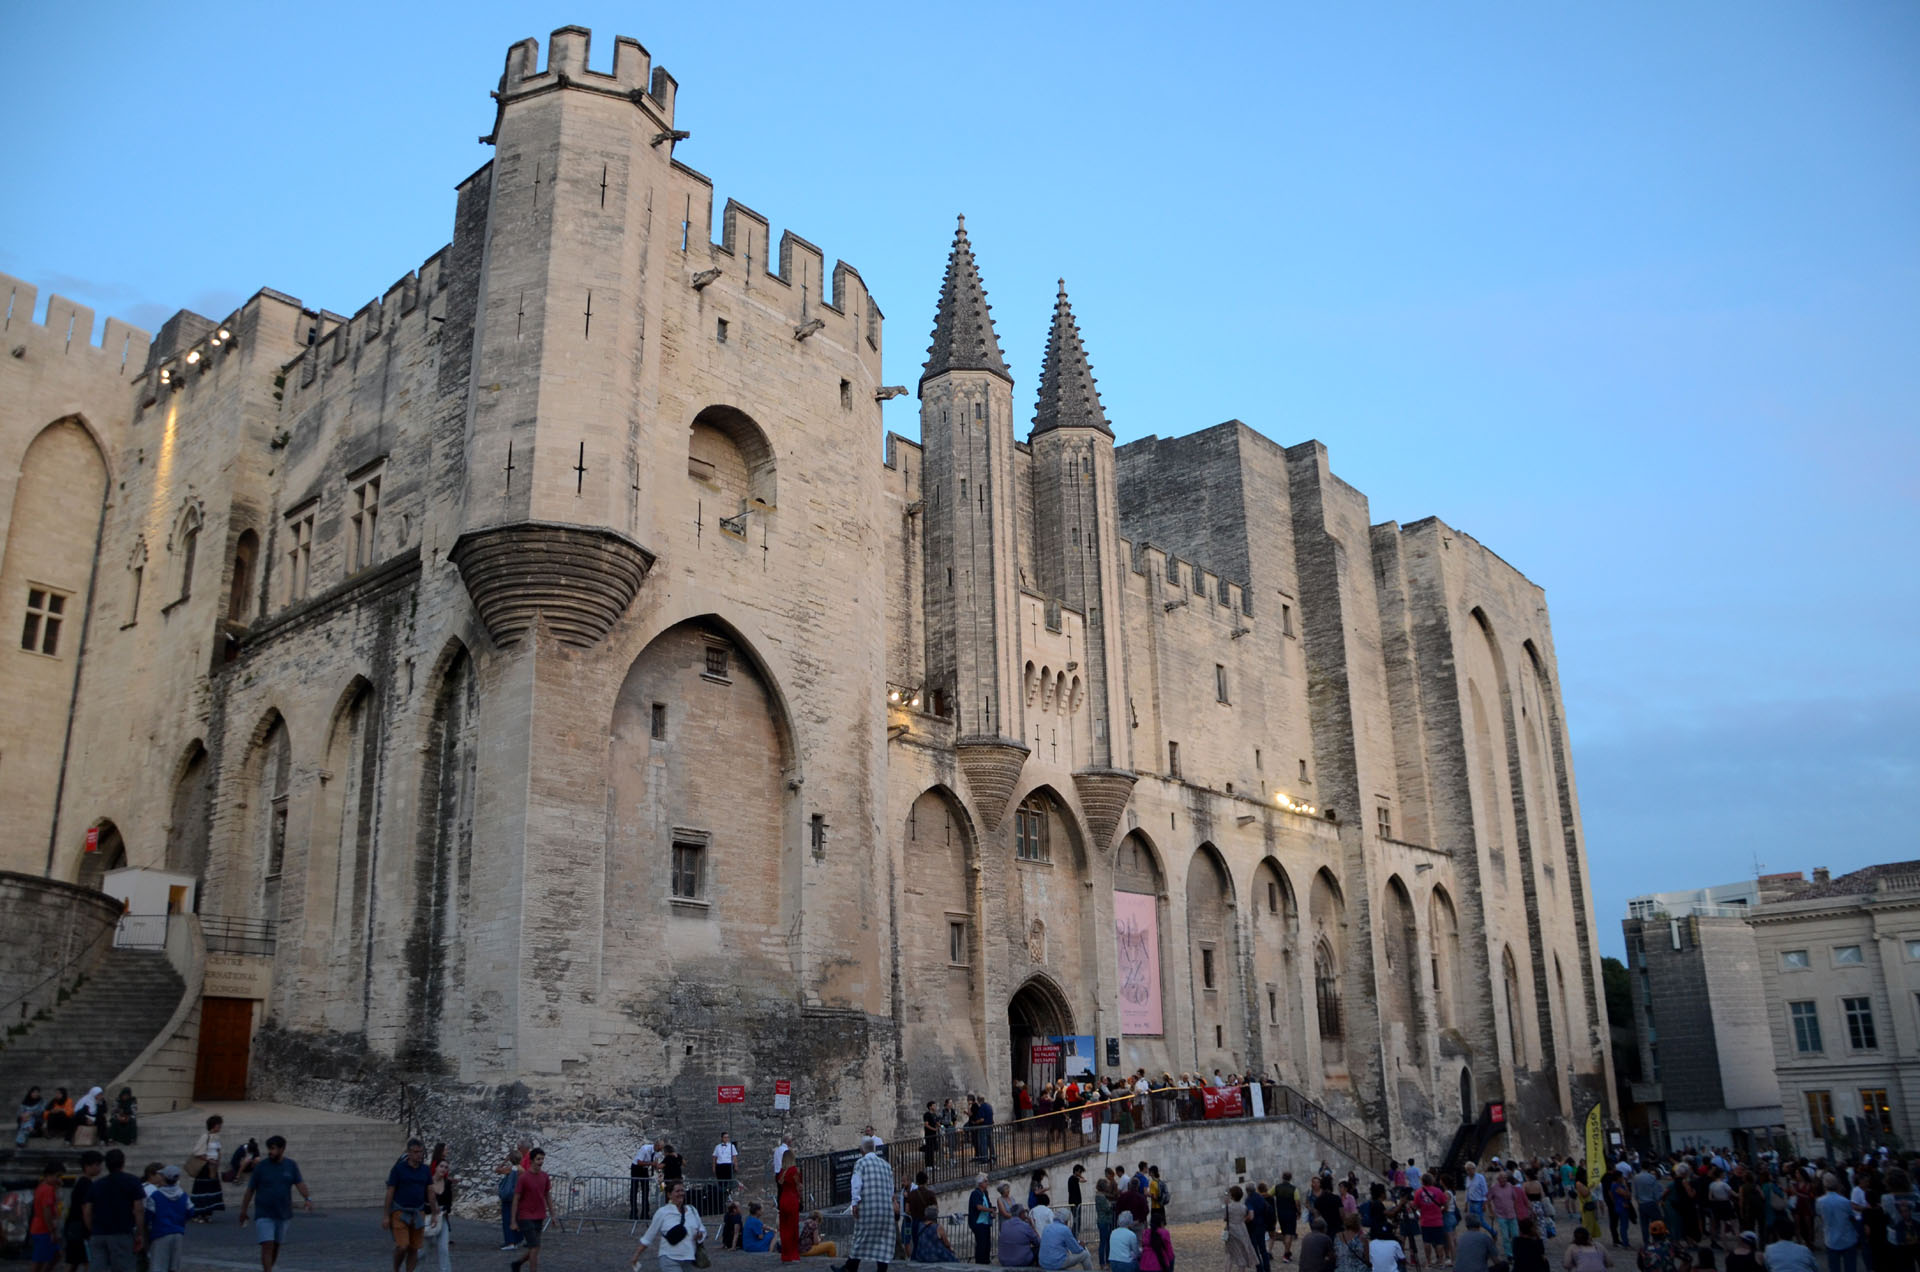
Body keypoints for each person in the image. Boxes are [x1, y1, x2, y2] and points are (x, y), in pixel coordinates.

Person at [239, 1136, 309, 1272]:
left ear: (282, 1149)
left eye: (273, 1149)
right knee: (267, 1245)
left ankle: (269, 1268)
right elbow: (250, 1190)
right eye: (269, 1149)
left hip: (283, 1214)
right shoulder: (261, 1167)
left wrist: (307, 1198)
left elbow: (299, 1183)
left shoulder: (291, 1165)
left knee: (276, 1246)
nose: (270, 1152)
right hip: (264, 1213)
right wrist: (243, 1210)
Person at [84, 1147, 146, 1272]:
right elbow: (138, 1210)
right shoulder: (132, 1181)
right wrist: (139, 1233)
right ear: (123, 1162)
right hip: (121, 1232)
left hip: (99, 1233)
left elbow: (87, 1211)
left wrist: (92, 1228)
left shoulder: (97, 1184)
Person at [842, 1136, 898, 1272]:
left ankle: (850, 1268)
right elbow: (891, 1188)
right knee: (883, 1239)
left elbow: (856, 1184)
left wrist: (854, 1203)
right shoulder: (886, 1165)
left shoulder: (861, 1163)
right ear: (874, 1148)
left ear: (862, 1150)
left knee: (861, 1236)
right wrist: (892, 1202)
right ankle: (880, 1269)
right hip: (885, 1209)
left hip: (868, 1207)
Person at [384, 1138, 439, 1272]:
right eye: (415, 1152)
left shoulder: (425, 1170)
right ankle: (396, 1269)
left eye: (420, 1152)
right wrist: (386, 1215)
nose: (418, 1155)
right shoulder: (398, 1169)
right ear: (409, 1152)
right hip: (400, 1212)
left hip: (418, 1212)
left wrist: (434, 1213)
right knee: (403, 1246)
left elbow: (430, 1191)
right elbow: (390, 1191)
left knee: (414, 1248)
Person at [636, 1180, 708, 1272]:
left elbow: (702, 1230)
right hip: (669, 1258)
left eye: (682, 1190)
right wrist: (636, 1256)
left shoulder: (692, 1210)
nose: (681, 1193)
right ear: (669, 1195)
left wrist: (700, 1235)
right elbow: (649, 1236)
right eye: (677, 1191)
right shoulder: (662, 1212)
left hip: (688, 1258)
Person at [509, 1146, 552, 1272]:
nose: (541, 1161)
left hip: (539, 1215)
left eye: (542, 1159)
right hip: (525, 1216)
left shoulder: (544, 1176)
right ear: (532, 1160)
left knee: (536, 1247)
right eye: (538, 1159)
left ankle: (518, 1263)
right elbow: (516, 1198)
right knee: (534, 1247)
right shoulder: (524, 1178)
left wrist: (553, 1214)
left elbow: (547, 1195)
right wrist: (513, 1221)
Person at [144, 1165, 190, 1272]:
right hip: (178, 1233)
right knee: (174, 1266)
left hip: (160, 1233)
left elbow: (149, 1214)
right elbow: (190, 1210)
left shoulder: (156, 1196)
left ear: (164, 1178)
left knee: (158, 1266)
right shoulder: (183, 1195)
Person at [1814, 1179, 1858, 1272]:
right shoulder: (1845, 1201)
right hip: (1847, 1236)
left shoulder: (1819, 1201)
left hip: (1830, 1237)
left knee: (1834, 1267)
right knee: (1850, 1267)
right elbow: (1852, 1215)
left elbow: (1819, 1215)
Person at [189, 1115, 226, 1220]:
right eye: (219, 1125)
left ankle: (207, 1213)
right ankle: (198, 1213)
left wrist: (217, 1160)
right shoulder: (205, 1137)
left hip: (213, 1167)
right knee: (202, 1190)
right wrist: (208, 1160)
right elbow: (197, 1152)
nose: (220, 1127)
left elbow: (218, 1151)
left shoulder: (216, 1137)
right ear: (214, 1125)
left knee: (211, 1189)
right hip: (205, 1167)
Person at [29, 1159, 63, 1272]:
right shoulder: (48, 1189)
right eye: (57, 1176)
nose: (59, 1180)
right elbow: (46, 1211)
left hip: (39, 1227)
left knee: (54, 1255)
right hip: (43, 1229)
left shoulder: (42, 1187)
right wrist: (52, 1231)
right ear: (49, 1175)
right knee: (39, 1260)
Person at [427, 1142, 455, 1272]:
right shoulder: (428, 1182)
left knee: (444, 1249)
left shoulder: (447, 1184)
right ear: (436, 1167)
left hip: (442, 1217)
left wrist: (444, 1210)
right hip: (428, 1217)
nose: (443, 1169)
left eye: (446, 1167)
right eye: (441, 1166)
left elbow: (449, 1202)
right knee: (422, 1251)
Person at [497, 1144, 528, 1252]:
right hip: (519, 1197)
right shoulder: (522, 1170)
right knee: (517, 1219)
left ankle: (510, 1242)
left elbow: (497, 1170)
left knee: (507, 1219)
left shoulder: (510, 1169)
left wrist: (504, 1161)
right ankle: (516, 1239)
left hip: (509, 1197)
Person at [778, 1143, 805, 1263]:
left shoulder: (781, 1172)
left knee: (784, 1228)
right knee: (793, 1228)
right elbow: (799, 1187)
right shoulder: (795, 1171)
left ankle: (785, 1255)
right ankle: (793, 1255)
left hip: (783, 1199)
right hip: (792, 1200)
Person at [1225, 1186, 1260, 1272]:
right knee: (1242, 1254)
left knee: (1230, 1254)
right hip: (1242, 1230)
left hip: (1231, 1231)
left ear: (1232, 1196)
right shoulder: (1244, 1207)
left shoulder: (1228, 1207)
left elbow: (1225, 1218)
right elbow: (1244, 1216)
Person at [1277, 1174, 1304, 1264]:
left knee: (1285, 1233)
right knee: (1289, 1234)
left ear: (1282, 1178)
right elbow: (1297, 1202)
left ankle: (1288, 1251)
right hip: (1291, 1214)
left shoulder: (1277, 1187)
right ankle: (1286, 1254)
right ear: (1290, 1178)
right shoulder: (1294, 1189)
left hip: (1280, 1214)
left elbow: (1268, 1194)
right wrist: (1299, 1212)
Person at [632, 1139, 657, 1221]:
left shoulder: (657, 1152)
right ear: (656, 1146)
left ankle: (645, 1213)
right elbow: (639, 1162)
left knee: (646, 1190)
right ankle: (633, 1212)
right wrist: (650, 1164)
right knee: (634, 1190)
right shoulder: (645, 1149)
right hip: (636, 1168)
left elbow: (655, 1162)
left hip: (645, 1169)